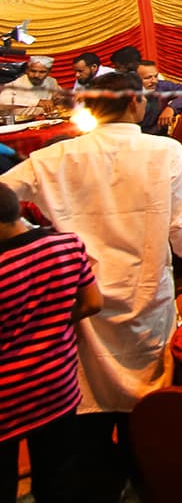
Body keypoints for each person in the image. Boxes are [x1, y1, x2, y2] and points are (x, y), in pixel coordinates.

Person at [2, 71, 182, 490]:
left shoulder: (56, 158)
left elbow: (4, 193)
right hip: (147, 299)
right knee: (146, 414)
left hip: (83, 303)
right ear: (135, 104)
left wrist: (33, 247)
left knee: (86, 416)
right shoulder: (166, 152)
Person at [0, 181, 102, 503]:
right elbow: (92, 303)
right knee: (58, 477)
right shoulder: (67, 245)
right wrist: (53, 319)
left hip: (6, 400)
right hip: (57, 386)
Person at [0, 53, 59, 118]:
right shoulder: (15, 83)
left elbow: (60, 97)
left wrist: (59, 100)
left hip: (42, 121)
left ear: (49, 72)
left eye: (42, 72)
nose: (36, 75)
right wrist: (37, 102)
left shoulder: (51, 81)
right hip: (17, 124)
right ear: (27, 70)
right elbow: (2, 100)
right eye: (33, 71)